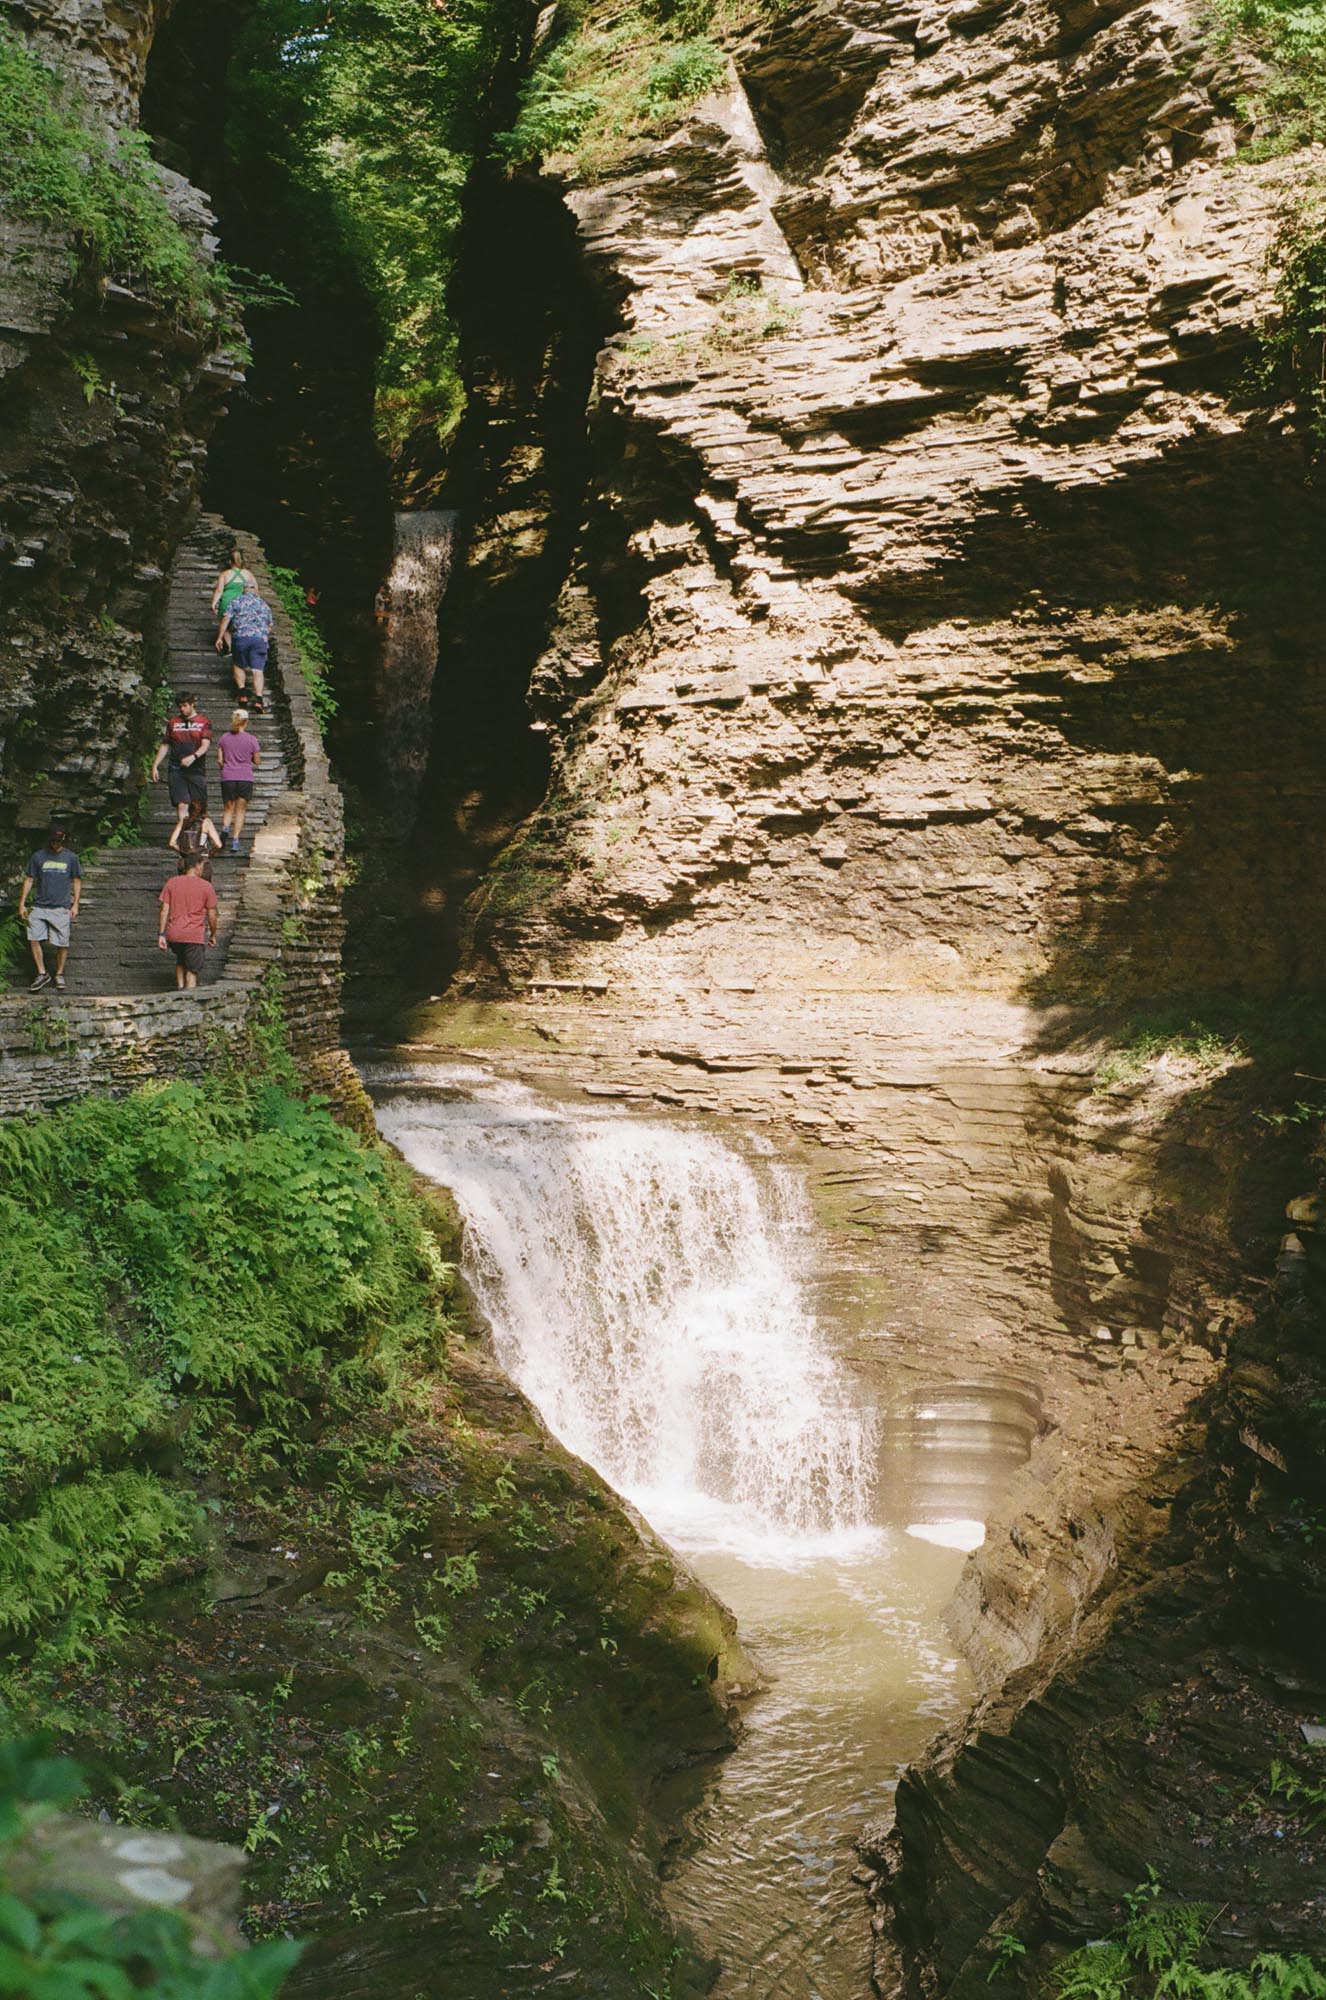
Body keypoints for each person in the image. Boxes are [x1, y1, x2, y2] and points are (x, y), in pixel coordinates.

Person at [18, 821, 81, 992]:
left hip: (61, 906)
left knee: (62, 942)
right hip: (39, 905)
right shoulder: (38, 857)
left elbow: (76, 880)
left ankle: (59, 974)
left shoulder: (71, 858)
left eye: (58, 841)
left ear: (64, 839)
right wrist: (22, 903)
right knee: (33, 937)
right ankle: (42, 973)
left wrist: (75, 904)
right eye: (53, 841)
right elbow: (29, 879)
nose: (55, 844)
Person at [150, 693, 213, 827]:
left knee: (198, 805)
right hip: (176, 768)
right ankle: (184, 837)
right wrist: (155, 765)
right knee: (182, 803)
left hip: (196, 768)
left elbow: (205, 745)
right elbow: (165, 744)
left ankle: (198, 837)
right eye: (180, 706)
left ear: (192, 704)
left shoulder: (203, 722)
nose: (182, 709)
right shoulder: (173, 722)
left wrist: (193, 756)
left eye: (185, 706)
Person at [158, 853, 218, 991]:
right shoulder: (206, 886)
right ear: (197, 866)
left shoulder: (172, 882)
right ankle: (189, 999)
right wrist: (213, 934)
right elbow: (212, 914)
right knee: (192, 970)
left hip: (174, 934)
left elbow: (164, 911)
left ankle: (179, 989)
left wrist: (161, 934)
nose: (202, 869)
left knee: (181, 958)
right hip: (193, 935)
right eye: (202, 866)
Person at [215, 585, 273, 712]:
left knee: (238, 665)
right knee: (258, 670)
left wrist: (220, 637)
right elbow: (269, 626)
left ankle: (243, 694)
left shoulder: (237, 601)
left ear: (243, 591)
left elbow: (225, 619)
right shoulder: (264, 604)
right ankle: (258, 699)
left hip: (241, 638)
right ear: (255, 591)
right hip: (259, 640)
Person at [217, 708, 261, 855]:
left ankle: (225, 829)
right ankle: (235, 840)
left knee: (228, 808)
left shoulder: (224, 738)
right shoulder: (252, 740)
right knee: (241, 810)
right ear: (246, 722)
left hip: (228, 777)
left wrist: (228, 766)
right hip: (245, 777)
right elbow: (257, 761)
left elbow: (220, 760)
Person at [210, 549, 255, 652]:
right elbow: (255, 590)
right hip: (243, 603)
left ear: (229, 561)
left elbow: (219, 590)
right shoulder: (248, 574)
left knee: (225, 625)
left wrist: (214, 603)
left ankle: (231, 647)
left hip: (227, 602)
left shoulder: (225, 574)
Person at [168, 797, 223, 880]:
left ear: (189, 810)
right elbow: (218, 844)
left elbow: (172, 843)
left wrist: (182, 850)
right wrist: (210, 853)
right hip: (201, 861)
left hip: (185, 861)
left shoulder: (183, 821)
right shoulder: (206, 822)